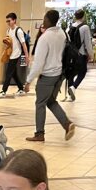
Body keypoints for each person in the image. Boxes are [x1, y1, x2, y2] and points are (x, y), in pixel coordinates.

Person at [24, 10, 75, 143]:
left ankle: (39, 133)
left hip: (47, 76)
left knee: (40, 103)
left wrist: (28, 80)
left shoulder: (45, 38)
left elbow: (39, 63)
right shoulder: (62, 34)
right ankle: (67, 124)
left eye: (44, 18)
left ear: (47, 20)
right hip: (59, 74)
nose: (43, 21)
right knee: (51, 101)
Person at [0, 13, 29, 97]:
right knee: (13, 73)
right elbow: (8, 43)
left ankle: (3, 91)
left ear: (14, 20)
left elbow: (23, 44)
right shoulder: (8, 31)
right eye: (7, 21)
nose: (8, 22)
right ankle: (21, 88)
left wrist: (27, 56)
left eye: (9, 21)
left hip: (16, 54)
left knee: (8, 73)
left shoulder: (18, 31)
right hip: (10, 54)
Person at [65, 9, 93, 100]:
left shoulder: (69, 27)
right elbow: (88, 42)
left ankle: (70, 96)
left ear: (75, 16)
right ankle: (74, 87)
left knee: (71, 74)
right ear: (83, 16)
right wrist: (91, 54)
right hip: (81, 54)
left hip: (70, 54)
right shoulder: (85, 27)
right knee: (82, 72)